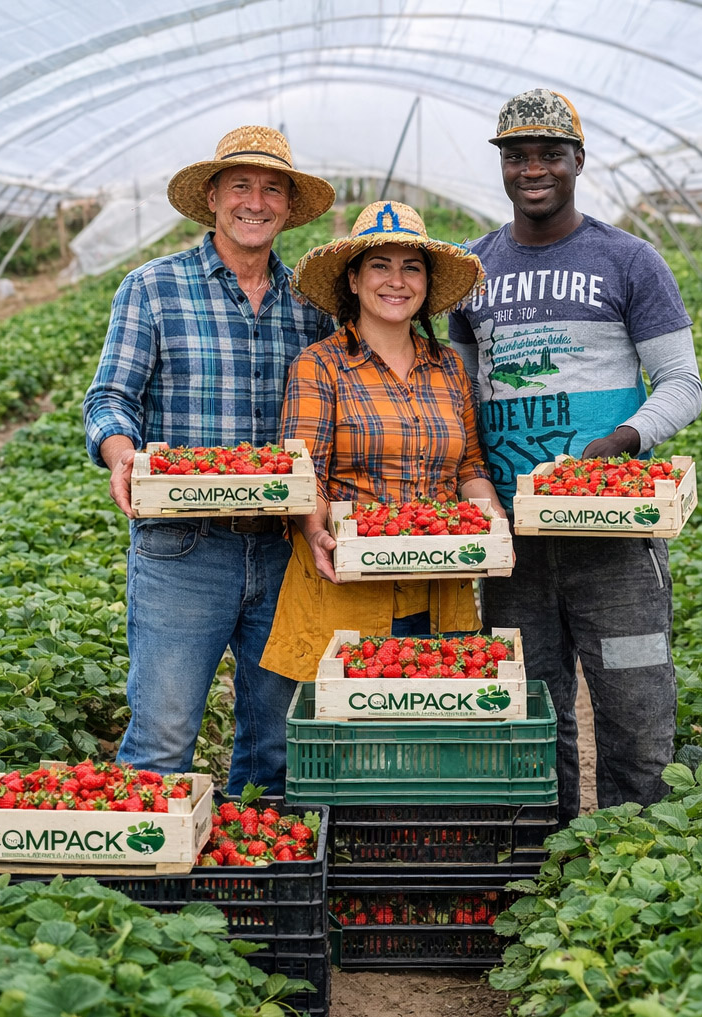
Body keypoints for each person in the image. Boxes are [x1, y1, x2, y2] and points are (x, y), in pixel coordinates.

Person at [446, 88, 702, 825]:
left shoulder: (628, 259)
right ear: (502, 166)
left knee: (636, 708)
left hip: (613, 532)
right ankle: (547, 863)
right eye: (517, 155)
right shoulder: (471, 270)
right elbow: (464, 394)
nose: (533, 168)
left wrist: (622, 441)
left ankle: (637, 856)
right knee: (531, 711)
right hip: (517, 545)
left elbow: (683, 381)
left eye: (549, 154)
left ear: (576, 161)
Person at [83, 125, 335, 794]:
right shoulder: (152, 288)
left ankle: (256, 880)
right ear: (215, 197)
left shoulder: (312, 306)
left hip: (283, 549)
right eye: (242, 186)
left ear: (287, 206)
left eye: (272, 189)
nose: (256, 201)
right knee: (163, 734)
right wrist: (121, 453)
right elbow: (111, 398)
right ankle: (141, 894)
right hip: (182, 547)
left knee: (278, 742)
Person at [260, 200, 507, 683]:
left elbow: (469, 468)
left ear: (426, 284)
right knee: (350, 737)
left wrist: (493, 521)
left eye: (411, 268)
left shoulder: (450, 368)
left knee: (431, 735)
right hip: (348, 580)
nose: (397, 281)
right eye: (380, 266)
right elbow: (303, 474)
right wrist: (316, 533)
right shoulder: (320, 366)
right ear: (353, 280)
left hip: (442, 582)